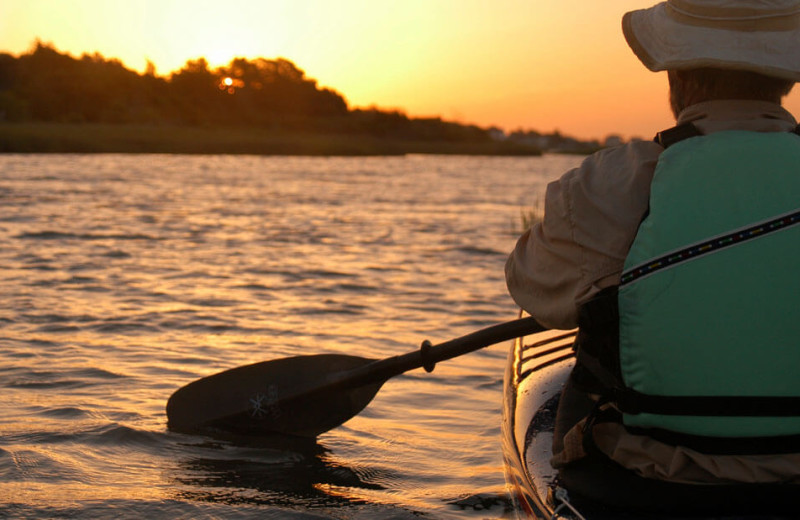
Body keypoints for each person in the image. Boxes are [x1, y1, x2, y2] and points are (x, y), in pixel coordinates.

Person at [506, 0, 800, 513]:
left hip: (650, 478)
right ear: (785, 80)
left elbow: (532, 290)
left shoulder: (607, 184)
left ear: (677, 77)